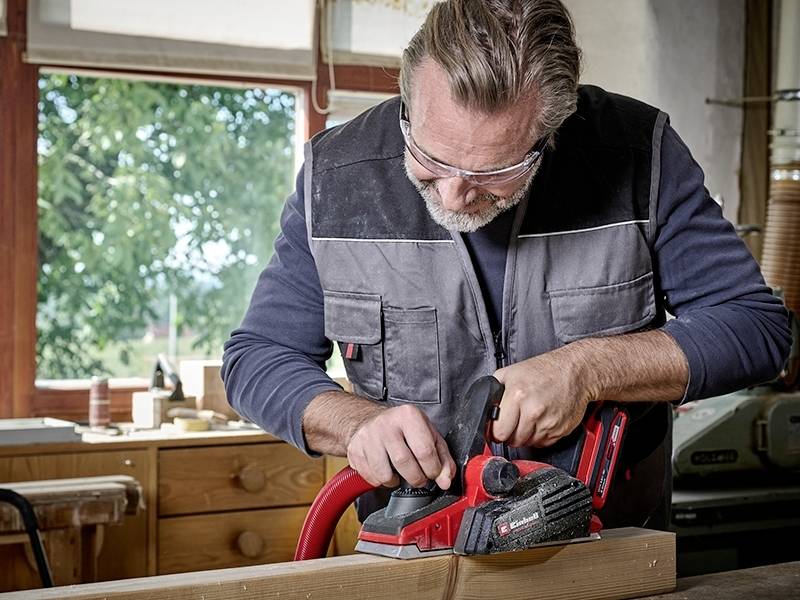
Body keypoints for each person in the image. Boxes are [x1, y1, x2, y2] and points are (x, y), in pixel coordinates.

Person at [222, 0, 791, 530]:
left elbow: (757, 327)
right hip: (418, 549)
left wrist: (587, 369)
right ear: (407, 95)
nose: (451, 196)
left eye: (494, 172)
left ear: (552, 131)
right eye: (429, 158)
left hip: (610, 548)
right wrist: (355, 423)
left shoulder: (640, 154)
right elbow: (256, 359)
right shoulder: (334, 175)